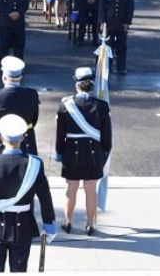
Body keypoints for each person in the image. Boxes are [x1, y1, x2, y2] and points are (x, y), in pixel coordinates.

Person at [0, 114, 56, 273]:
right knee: (19, 270)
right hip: (23, 226)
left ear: (1, 138)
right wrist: (49, 225)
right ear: (23, 138)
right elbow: (45, 198)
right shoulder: (35, 164)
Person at [54, 67, 112, 236]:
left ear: (77, 84)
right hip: (94, 153)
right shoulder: (102, 106)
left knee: (71, 189)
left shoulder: (66, 104)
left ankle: (68, 222)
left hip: (72, 152)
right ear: (92, 85)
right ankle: (90, 225)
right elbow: (107, 136)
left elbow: (60, 134)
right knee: (90, 190)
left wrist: (59, 152)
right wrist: (104, 153)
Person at [0, 56, 40, 157]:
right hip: (26, 142)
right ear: (21, 77)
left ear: (4, 77)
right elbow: (33, 120)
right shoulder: (32, 95)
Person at [98, 0, 134, 75]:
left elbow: (130, 9)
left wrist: (127, 22)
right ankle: (107, 66)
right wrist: (102, 22)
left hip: (122, 24)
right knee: (108, 46)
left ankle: (121, 67)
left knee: (122, 46)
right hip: (109, 24)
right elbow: (101, 7)